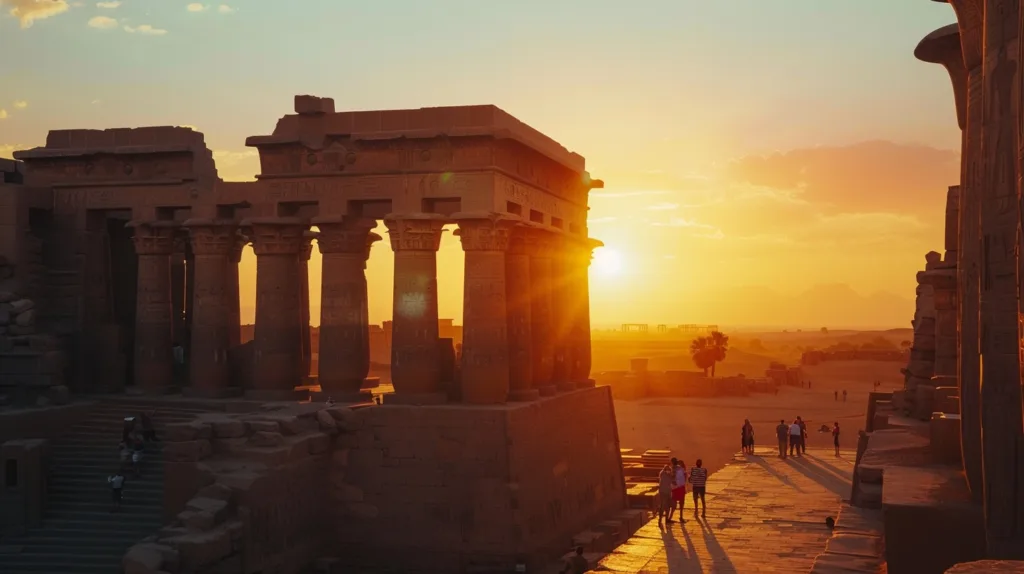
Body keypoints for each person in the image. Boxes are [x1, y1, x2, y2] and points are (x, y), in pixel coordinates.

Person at [670, 457, 687, 522]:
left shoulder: (671, 469)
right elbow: (685, 477)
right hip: (681, 487)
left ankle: (670, 517)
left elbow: (671, 479)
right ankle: (681, 517)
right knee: (681, 503)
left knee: (673, 504)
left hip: (674, 488)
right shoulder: (681, 469)